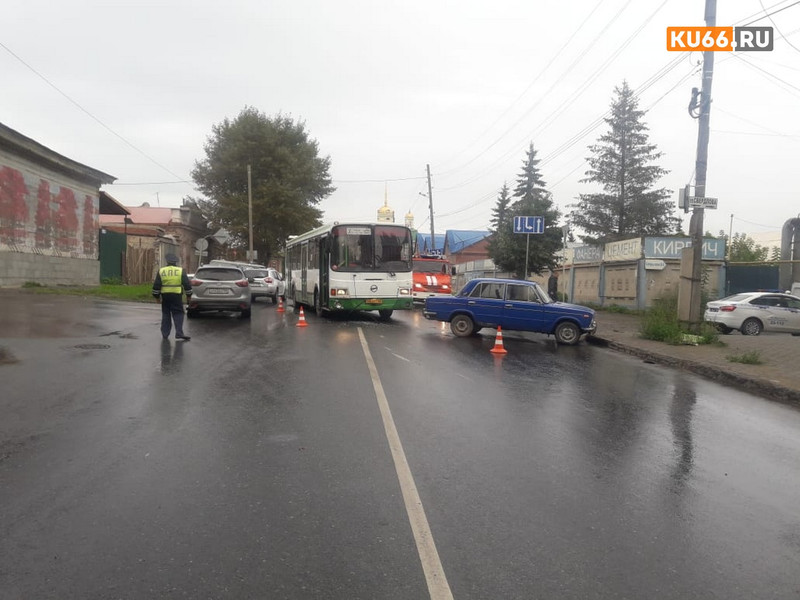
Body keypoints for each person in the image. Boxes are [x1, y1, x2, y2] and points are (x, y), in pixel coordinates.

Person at [152, 253, 193, 340]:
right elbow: (187, 285)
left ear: (167, 261)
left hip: (165, 296)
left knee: (166, 314)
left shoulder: (161, 271)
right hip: (176, 296)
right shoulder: (181, 271)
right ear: (175, 262)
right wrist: (189, 296)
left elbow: (156, 286)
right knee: (178, 313)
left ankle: (165, 334)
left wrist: (157, 297)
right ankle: (179, 333)